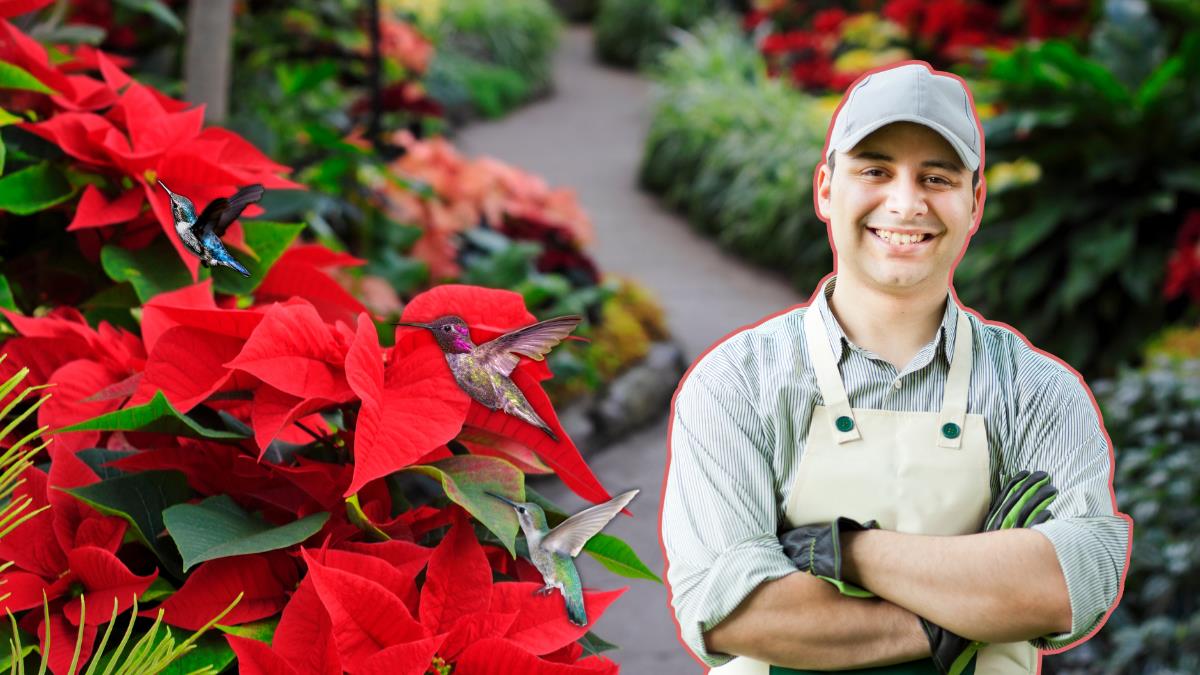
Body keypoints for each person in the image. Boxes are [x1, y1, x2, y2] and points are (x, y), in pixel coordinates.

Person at [660, 61, 1132, 674]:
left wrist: (846, 551)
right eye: (875, 170)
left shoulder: (1039, 393)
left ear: (975, 201)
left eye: (935, 177)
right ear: (826, 189)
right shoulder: (737, 384)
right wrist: (968, 609)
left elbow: (1073, 585)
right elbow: (734, 612)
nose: (906, 203)